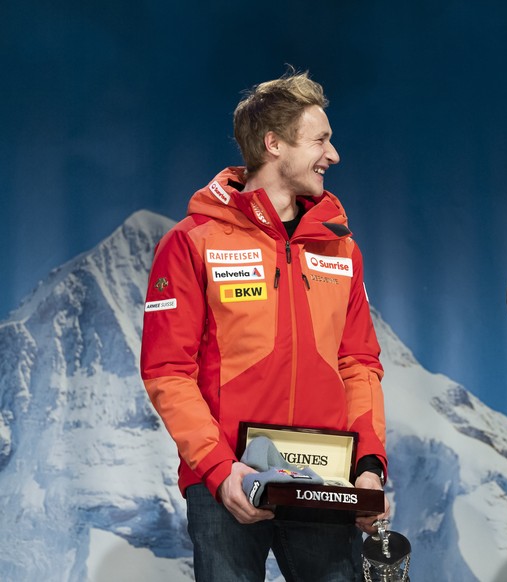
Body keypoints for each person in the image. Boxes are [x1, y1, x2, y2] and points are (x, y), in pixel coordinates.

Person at [140, 69, 389, 582]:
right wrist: (217, 468)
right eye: (321, 140)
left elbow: (359, 363)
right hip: (228, 479)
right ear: (274, 144)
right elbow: (167, 370)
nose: (334, 155)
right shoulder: (193, 242)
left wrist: (367, 464)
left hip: (326, 479)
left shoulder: (341, 248)